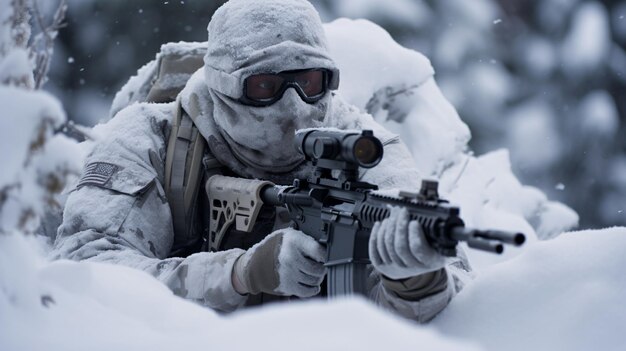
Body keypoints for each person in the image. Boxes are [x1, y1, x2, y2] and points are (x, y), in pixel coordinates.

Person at [53, 0, 471, 322]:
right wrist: (241, 273)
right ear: (222, 86)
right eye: (265, 85)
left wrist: (415, 280)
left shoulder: (364, 146)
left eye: (309, 82)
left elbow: (457, 294)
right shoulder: (152, 139)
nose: (294, 106)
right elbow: (82, 273)